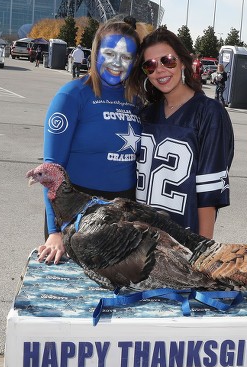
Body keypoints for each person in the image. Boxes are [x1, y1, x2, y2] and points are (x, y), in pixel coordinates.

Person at [38, 19, 142, 264]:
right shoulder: (72, 95)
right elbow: (51, 169)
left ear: (134, 61)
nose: (117, 63)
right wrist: (55, 231)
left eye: (126, 57)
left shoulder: (137, 100)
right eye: (109, 53)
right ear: (95, 52)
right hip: (75, 212)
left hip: (122, 212)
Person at [128, 28, 234, 239]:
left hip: (184, 241)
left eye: (167, 60)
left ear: (184, 61)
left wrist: (203, 251)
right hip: (139, 241)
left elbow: (209, 193)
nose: (159, 70)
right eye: (150, 65)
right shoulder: (145, 114)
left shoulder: (209, 112)